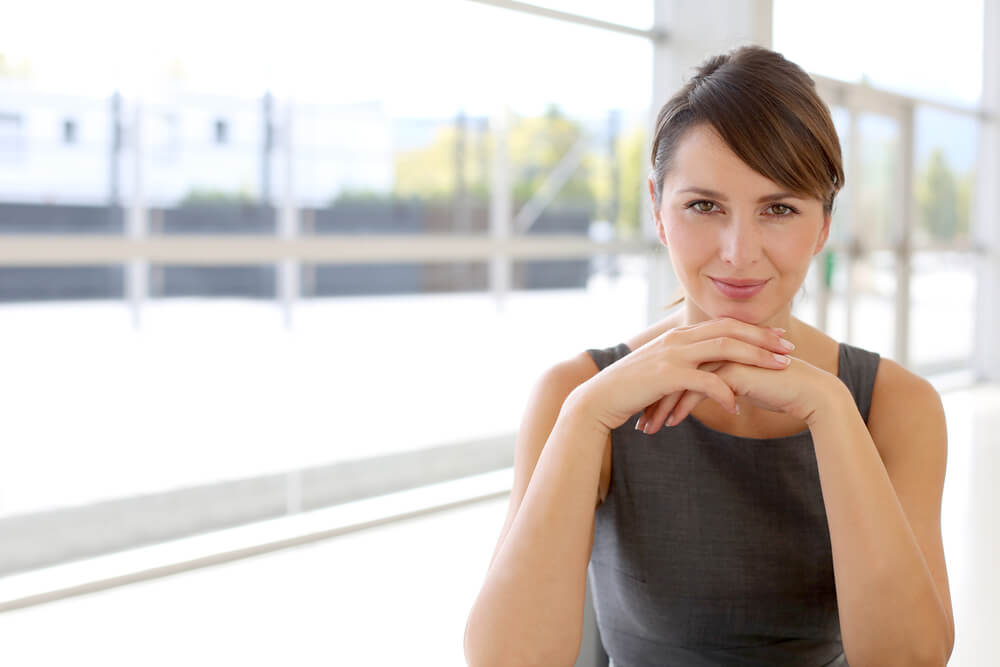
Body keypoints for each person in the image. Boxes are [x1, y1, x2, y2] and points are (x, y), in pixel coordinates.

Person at [464, 45, 955, 667]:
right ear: (659, 213)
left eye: (778, 209)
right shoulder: (576, 391)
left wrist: (832, 411)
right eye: (703, 206)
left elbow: (910, 660)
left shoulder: (894, 404)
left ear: (824, 225)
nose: (738, 252)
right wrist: (584, 416)